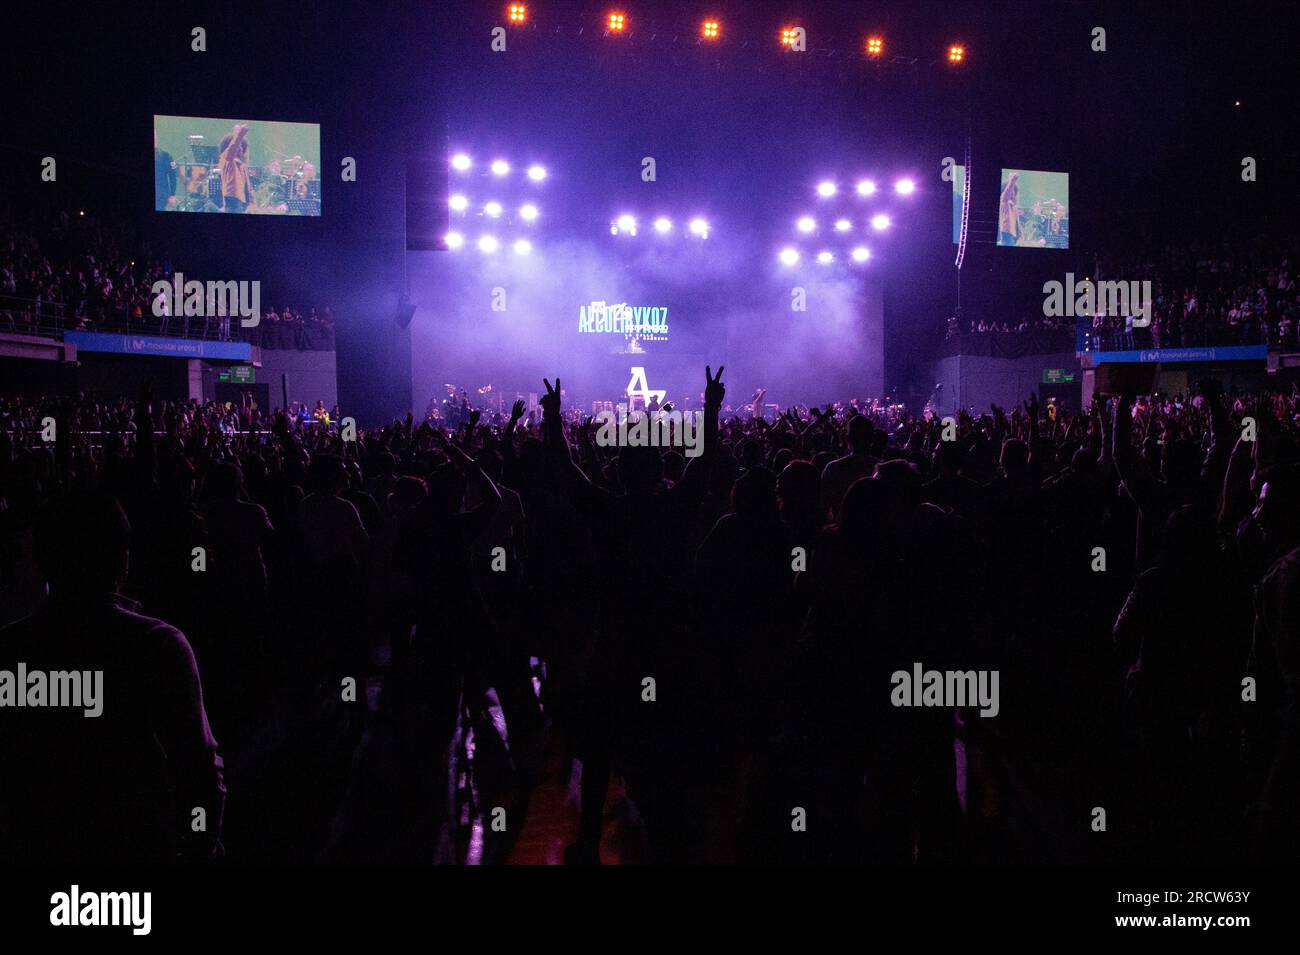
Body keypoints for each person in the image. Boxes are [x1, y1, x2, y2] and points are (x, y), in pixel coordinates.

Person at [0, 492, 226, 863]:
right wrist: (200, 844)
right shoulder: (158, 645)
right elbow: (198, 769)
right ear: (123, 562)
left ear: (39, 561)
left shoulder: (10, 650)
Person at [218, 123, 253, 213]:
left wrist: (251, 203)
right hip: (232, 201)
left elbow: (247, 187)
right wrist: (240, 134)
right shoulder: (227, 159)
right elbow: (232, 148)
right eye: (239, 146)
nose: (240, 148)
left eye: (242, 146)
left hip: (242, 203)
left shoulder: (241, 165)